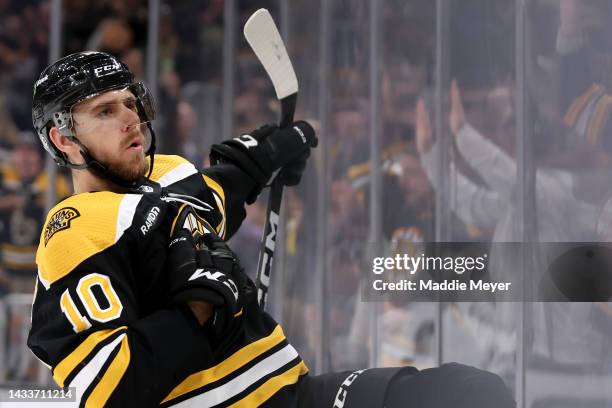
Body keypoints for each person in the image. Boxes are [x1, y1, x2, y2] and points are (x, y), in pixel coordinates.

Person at [27, 51, 515, 407]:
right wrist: (201, 311)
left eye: (130, 103)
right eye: (105, 112)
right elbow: (110, 388)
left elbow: (220, 191)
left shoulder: (168, 175)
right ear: (63, 140)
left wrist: (273, 150)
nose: (129, 120)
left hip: (291, 392)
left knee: (471, 393)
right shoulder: (74, 231)